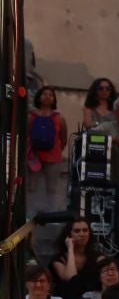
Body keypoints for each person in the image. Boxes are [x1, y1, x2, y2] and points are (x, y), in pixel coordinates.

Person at [25, 86, 69, 224]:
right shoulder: (31, 116)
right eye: (45, 94)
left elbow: (63, 138)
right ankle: (29, 214)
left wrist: (57, 151)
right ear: (39, 97)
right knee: (31, 186)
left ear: (54, 99)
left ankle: (52, 216)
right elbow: (26, 135)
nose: (48, 96)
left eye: (51, 94)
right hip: (34, 157)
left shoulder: (60, 118)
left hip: (54, 158)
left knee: (52, 188)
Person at [51, 218, 104, 299]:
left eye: (85, 230)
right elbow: (71, 279)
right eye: (77, 231)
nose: (82, 234)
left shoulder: (98, 258)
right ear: (69, 235)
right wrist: (70, 249)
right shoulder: (59, 259)